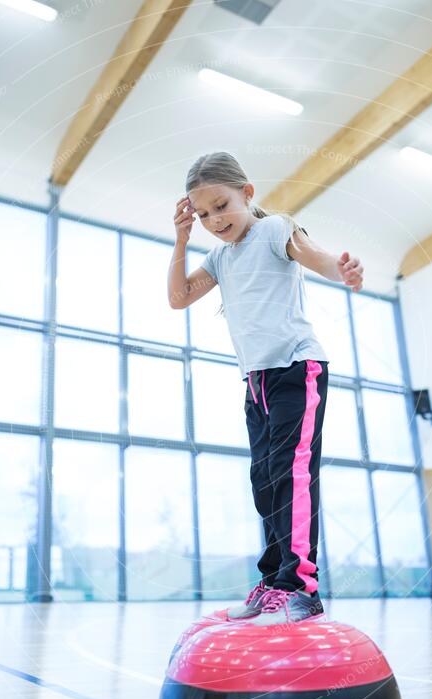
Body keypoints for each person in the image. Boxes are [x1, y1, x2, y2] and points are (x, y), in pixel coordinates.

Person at [168, 151, 363, 625]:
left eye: (222, 205)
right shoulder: (218, 255)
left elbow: (315, 257)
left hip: (297, 368)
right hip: (255, 380)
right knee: (265, 481)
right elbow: (178, 298)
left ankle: (302, 587)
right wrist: (181, 239)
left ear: (247, 193)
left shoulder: (274, 229)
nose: (214, 220)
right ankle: (274, 580)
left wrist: (344, 271)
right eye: (203, 213)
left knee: (292, 477)